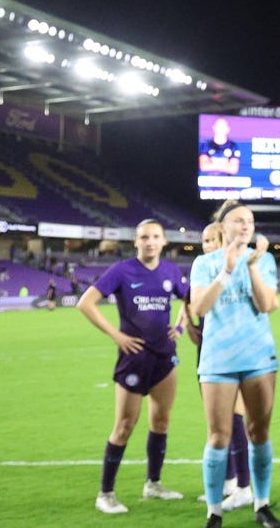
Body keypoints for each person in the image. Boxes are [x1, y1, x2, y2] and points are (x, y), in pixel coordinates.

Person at [77, 219, 189, 513]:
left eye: (155, 237)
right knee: (125, 425)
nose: (150, 242)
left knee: (161, 422)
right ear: (136, 242)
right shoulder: (122, 270)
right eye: (144, 237)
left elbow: (191, 301)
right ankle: (106, 493)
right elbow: (86, 303)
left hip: (164, 357)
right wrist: (117, 335)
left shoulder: (171, 271)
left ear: (164, 241)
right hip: (133, 359)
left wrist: (179, 328)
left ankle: (153, 484)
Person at [190, 201, 280, 528]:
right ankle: (214, 513)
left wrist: (252, 266)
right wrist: (228, 270)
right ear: (222, 228)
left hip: (259, 357)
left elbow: (268, 304)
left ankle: (261, 505)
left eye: (250, 221)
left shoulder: (265, 260)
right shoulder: (204, 263)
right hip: (218, 359)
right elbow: (199, 308)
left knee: (259, 432)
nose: (246, 225)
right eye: (238, 221)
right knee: (218, 435)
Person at [188, 222, 253, 510]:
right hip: (209, 349)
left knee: (235, 417)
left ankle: (244, 484)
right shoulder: (202, 270)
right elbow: (193, 305)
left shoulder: (236, 269)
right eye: (203, 241)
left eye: (211, 240)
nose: (207, 246)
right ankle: (229, 481)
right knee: (217, 422)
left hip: (234, 349)